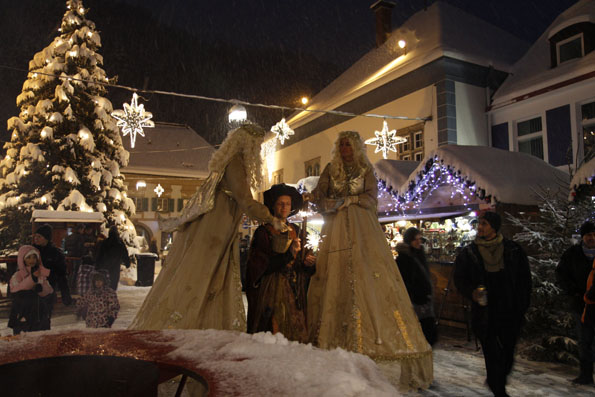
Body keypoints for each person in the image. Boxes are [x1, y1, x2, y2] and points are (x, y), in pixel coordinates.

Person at [304, 131, 433, 390]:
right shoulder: (331, 169)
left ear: (356, 147)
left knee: (369, 273)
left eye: (348, 144)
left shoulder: (365, 169)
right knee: (334, 275)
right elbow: (319, 194)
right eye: (341, 144)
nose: (344, 148)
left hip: (363, 229)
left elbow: (372, 199)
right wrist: (324, 201)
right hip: (337, 228)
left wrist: (350, 200)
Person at [130, 124, 286, 331]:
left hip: (222, 226)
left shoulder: (234, 163)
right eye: (256, 145)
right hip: (217, 227)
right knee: (204, 272)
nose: (258, 150)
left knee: (213, 275)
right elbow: (245, 200)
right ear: (247, 145)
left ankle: (204, 320)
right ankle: (186, 321)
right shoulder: (235, 163)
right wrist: (270, 217)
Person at [454, 211, 532, 397]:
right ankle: (499, 390)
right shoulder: (469, 253)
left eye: (485, 224)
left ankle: (496, 379)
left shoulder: (513, 250)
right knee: (492, 352)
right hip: (484, 312)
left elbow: (524, 280)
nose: (480, 227)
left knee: (508, 352)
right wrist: (471, 292)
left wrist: (523, 304)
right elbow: (459, 278)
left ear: (494, 227)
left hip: (509, 310)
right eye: (479, 223)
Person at [246, 183, 316, 342]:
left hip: (294, 288)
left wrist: (308, 263)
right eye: (280, 203)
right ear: (274, 205)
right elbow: (259, 266)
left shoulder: (296, 230)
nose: (284, 207)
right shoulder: (264, 232)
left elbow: (304, 258)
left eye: (288, 204)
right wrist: (288, 254)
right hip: (272, 290)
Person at [556, 220, 595, 384]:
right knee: (584, 340)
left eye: (594, 234)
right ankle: (586, 375)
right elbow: (561, 275)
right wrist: (574, 293)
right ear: (582, 237)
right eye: (588, 235)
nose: (591, 238)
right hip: (581, 305)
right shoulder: (572, 254)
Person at [396, 227, 437, 345]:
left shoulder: (419, 255)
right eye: (415, 239)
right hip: (414, 302)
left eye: (420, 239)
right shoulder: (403, 259)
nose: (418, 242)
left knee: (429, 334)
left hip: (425, 301)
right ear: (409, 240)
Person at [7, 245, 53, 334]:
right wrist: (32, 279)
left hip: (38, 311)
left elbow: (48, 291)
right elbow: (15, 289)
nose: (32, 260)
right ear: (23, 259)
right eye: (28, 258)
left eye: (34, 258)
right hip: (22, 310)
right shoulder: (18, 275)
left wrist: (41, 287)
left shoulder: (40, 273)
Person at [33, 223, 72, 307]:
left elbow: (61, 275)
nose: (36, 239)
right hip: (33, 289)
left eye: (39, 237)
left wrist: (65, 295)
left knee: (45, 315)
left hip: (49, 288)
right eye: (35, 236)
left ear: (46, 238)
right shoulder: (32, 251)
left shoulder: (55, 253)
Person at [95, 226, 131, 291]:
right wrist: (127, 263)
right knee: (114, 281)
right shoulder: (119, 243)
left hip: (105, 265)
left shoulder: (105, 242)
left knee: (105, 281)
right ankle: (112, 295)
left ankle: (106, 294)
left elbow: (100, 254)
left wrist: (97, 265)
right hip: (115, 265)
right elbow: (124, 253)